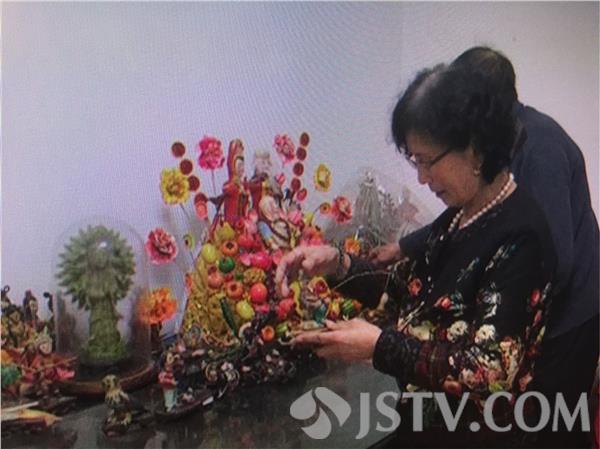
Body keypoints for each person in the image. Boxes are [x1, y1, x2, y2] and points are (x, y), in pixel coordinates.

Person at [275, 64, 557, 447]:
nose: (422, 178)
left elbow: (490, 371)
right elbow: (405, 289)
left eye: (428, 161)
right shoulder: (459, 216)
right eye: (414, 161)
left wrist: (379, 347)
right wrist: (337, 264)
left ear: (475, 148)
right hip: (426, 424)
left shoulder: (521, 235)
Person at [370, 47, 599, 448]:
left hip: (572, 312)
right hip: (487, 370)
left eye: (428, 161)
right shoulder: (471, 199)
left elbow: (552, 263)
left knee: (556, 425)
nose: (422, 177)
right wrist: (395, 250)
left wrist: (519, 315)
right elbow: (450, 239)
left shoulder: (538, 156)